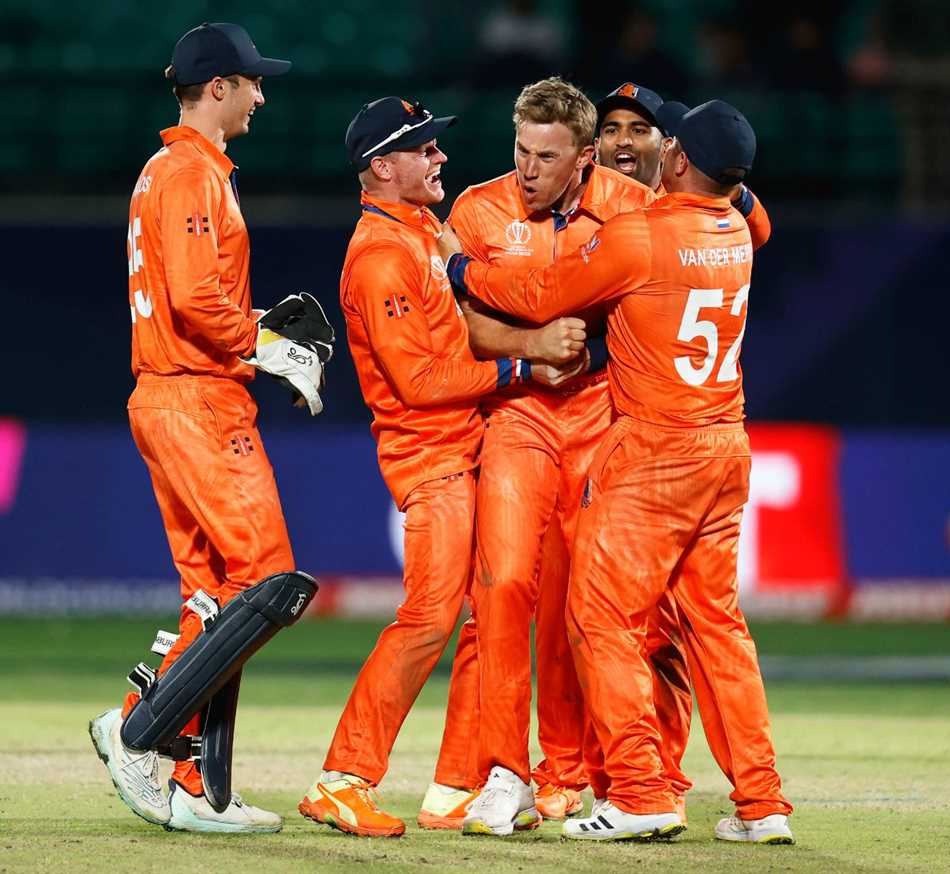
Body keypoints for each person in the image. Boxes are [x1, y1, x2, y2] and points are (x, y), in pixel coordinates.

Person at [442, 99, 795, 845]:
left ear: (676, 161)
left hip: (654, 454)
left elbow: (541, 296)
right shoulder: (736, 229)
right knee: (718, 627)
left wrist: (457, 266)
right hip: (726, 447)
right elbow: (754, 215)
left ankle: (639, 792)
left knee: (599, 618)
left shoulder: (639, 234)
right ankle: (761, 805)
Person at [297, 96, 581, 839]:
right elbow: (419, 382)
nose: (440, 157)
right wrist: (522, 365)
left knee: (490, 619)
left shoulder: (421, 229)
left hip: (465, 445)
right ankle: (343, 778)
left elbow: (460, 326)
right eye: (424, 149)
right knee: (429, 616)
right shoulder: (381, 256)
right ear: (382, 167)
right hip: (431, 460)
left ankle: (456, 784)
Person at [88, 22, 318, 834]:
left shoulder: (169, 170)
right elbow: (195, 300)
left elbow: (195, 298)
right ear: (216, 87)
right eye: (252, 81)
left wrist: (258, 334)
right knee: (266, 582)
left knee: (215, 596)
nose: (261, 94)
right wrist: (269, 342)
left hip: (169, 393)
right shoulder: (191, 173)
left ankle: (188, 780)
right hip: (197, 400)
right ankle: (138, 732)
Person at [596, 84, 771, 243]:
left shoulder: (693, 195)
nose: (624, 140)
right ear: (596, 145)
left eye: (639, 131)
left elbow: (758, 234)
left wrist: (733, 189)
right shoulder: (575, 200)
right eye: (611, 130)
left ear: (666, 146)